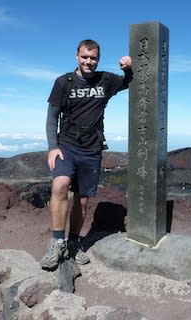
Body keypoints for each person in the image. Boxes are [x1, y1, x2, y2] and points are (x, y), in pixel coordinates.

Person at [40, 39, 132, 270]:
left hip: (92, 148)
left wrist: (129, 67)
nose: (88, 62)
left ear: (98, 59)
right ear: (77, 56)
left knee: (82, 200)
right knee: (60, 185)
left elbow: (129, 82)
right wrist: (53, 147)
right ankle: (57, 243)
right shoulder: (63, 82)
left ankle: (73, 243)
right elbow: (52, 117)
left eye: (93, 58)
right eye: (84, 57)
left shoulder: (106, 80)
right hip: (67, 145)